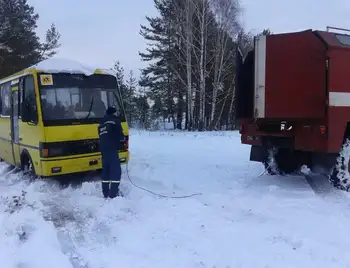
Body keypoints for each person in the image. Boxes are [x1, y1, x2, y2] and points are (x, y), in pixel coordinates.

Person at [98, 106, 125, 198]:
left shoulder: (101, 123)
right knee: (116, 171)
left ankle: (105, 192)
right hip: (112, 149)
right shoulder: (115, 121)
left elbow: (102, 136)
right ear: (113, 113)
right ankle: (114, 193)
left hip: (103, 150)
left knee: (106, 170)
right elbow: (121, 137)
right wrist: (122, 141)